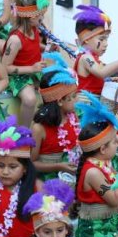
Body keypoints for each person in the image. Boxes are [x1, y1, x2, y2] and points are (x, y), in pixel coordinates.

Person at [74, 93, 118, 237]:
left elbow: (117, 185)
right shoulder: (93, 171)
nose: (117, 146)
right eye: (115, 142)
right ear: (102, 149)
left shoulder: (105, 162)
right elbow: (115, 198)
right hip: (97, 231)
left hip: (112, 223)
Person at [2, 0, 49, 127]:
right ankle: (23, 132)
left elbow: (32, 47)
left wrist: (47, 48)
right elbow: (4, 67)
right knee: (30, 100)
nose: (42, 18)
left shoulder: (34, 29)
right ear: (29, 17)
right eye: (39, 15)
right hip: (20, 76)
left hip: (35, 71)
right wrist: (31, 68)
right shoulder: (15, 39)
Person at [30, 52, 80, 180]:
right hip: (48, 179)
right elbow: (32, 164)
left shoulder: (73, 116)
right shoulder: (39, 128)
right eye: (73, 97)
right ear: (59, 101)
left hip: (71, 175)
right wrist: (59, 167)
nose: (77, 100)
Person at [72, 5, 118, 96]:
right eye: (102, 39)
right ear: (86, 39)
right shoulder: (85, 58)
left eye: (106, 39)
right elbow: (101, 72)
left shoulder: (93, 59)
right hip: (86, 107)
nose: (106, 43)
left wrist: (110, 79)